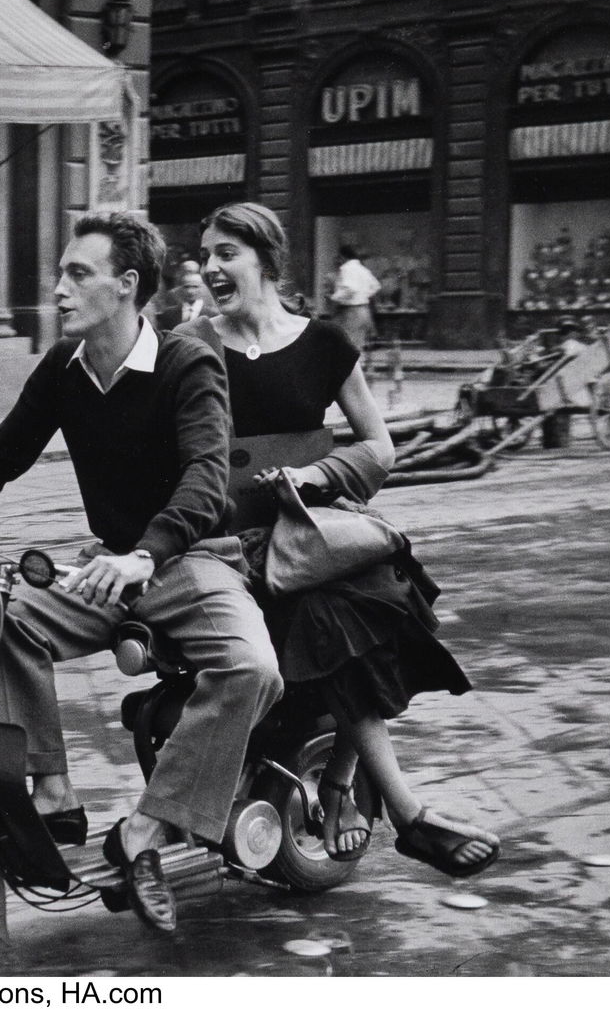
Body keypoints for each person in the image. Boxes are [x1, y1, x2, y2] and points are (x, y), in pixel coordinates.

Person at [0, 211, 282, 932]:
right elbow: (0, 452)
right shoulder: (65, 368)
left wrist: (148, 551)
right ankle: (51, 791)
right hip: (109, 564)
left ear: (127, 284)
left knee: (252, 669)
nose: (58, 289)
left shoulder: (186, 362)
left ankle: (148, 826)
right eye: (61, 273)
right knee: (1, 610)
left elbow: (207, 476)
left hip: (190, 559)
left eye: (77, 274)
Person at [179, 202, 500, 879]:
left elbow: (379, 448)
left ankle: (344, 778)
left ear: (265, 260)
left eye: (226, 252)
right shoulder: (191, 344)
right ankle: (402, 809)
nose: (210, 266)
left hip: (308, 528)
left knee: (384, 589)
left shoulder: (325, 344)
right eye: (206, 254)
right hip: (231, 539)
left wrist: (316, 473)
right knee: (332, 610)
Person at [329, 245, 380, 352]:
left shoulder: (346, 268)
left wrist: (335, 297)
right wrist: (364, 295)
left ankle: (346, 367)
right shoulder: (363, 269)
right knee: (358, 346)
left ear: (342, 256)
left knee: (346, 344)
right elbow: (376, 286)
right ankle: (355, 367)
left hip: (350, 311)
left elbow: (351, 288)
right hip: (364, 309)